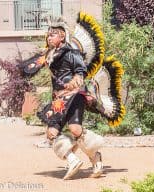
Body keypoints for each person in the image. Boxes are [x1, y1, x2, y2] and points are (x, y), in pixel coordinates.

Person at [36, 19, 104, 180]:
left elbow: (80, 71)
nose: (48, 38)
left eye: (52, 35)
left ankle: (96, 157)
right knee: (51, 132)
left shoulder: (72, 53)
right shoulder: (51, 55)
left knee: (75, 129)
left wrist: (75, 82)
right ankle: (73, 160)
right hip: (59, 100)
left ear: (62, 36)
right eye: (48, 35)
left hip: (74, 97)